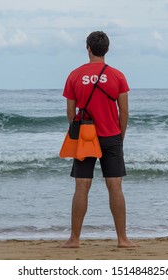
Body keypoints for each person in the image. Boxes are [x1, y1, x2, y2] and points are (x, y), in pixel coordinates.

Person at [62, 31, 137, 248]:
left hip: (85, 137)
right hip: (111, 135)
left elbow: (70, 112)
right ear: (107, 49)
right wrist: (119, 136)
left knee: (81, 187)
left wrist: (78, 134)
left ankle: (74, 239)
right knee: (115, 187)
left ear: (88, 48)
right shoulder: (117, 75)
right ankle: (122, 239)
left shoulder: (75, 75)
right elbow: (124, 112)